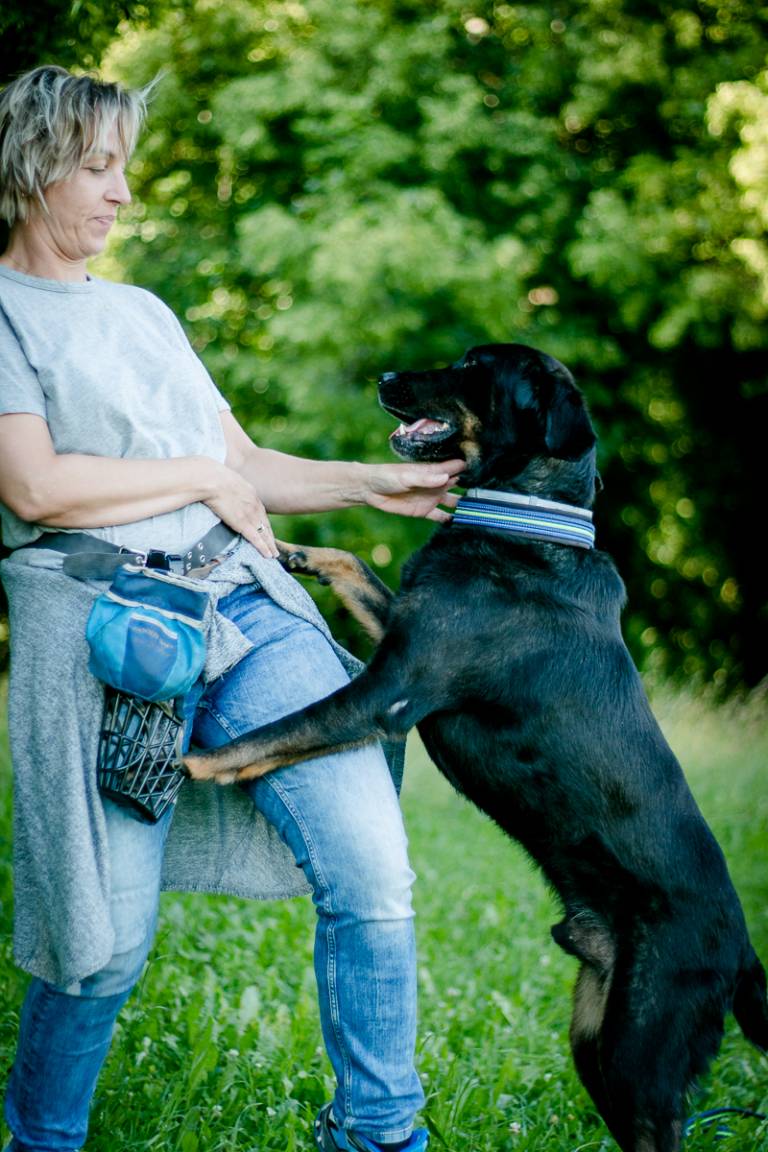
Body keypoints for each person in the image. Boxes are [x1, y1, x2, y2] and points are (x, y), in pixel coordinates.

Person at [0, 65, 463, 1152]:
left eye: (126, 169)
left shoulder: (144, 312)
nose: (122, 194)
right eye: (98, 166)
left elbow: (241, 461)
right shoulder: (6, 314)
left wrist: (371, 481)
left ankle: (379, 1136)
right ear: (31, 168)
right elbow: (32, 487)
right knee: (104, 940)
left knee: (373, 869)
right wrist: (201, 481)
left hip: (247, 609)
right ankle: (41, 1140)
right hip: (113, 638)